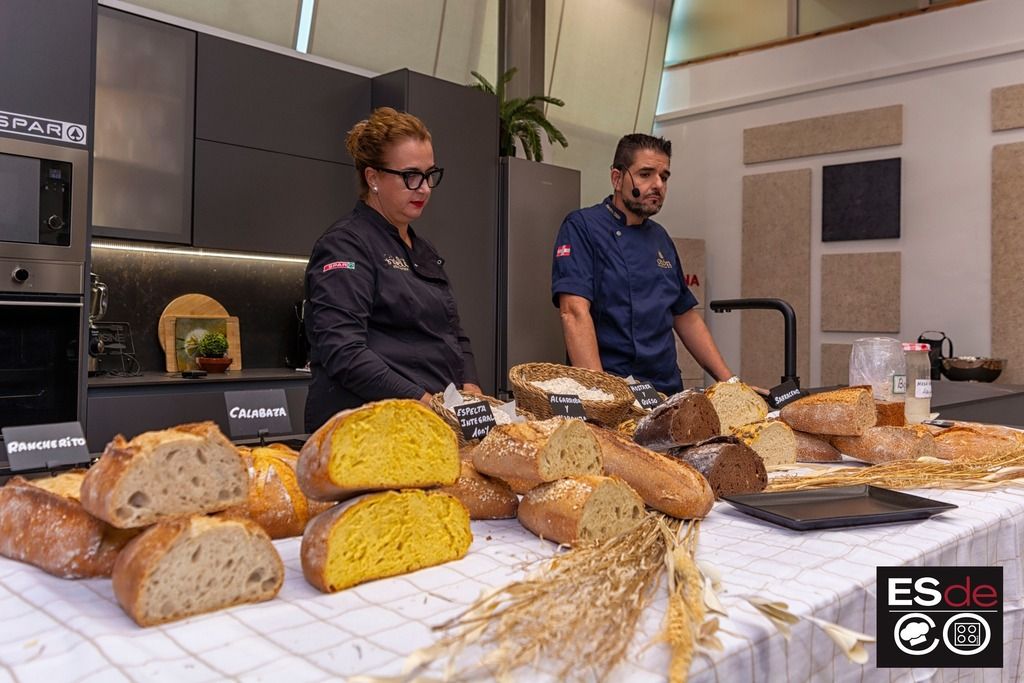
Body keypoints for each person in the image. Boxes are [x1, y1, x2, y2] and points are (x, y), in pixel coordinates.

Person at [303, 107, 481, 432]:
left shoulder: (424, 249)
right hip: (367, 429)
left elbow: (454, 334)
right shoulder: (345, 244)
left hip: (432, 423)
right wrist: (425, 403)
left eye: (430, 175)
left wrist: (470, 390)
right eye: (411, 176)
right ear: (373, 178)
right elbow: (344, 352)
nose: (425, 188)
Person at [551, 133, 733, 395]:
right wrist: (600, 396)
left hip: (667, 391)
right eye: (646, 174)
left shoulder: (661, 238)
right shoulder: (582, 227)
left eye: (664, 176)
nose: (658, 184)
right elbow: (574, 313)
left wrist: (730, 383)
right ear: (617, 178)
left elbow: (685, 316)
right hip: (615, 390)